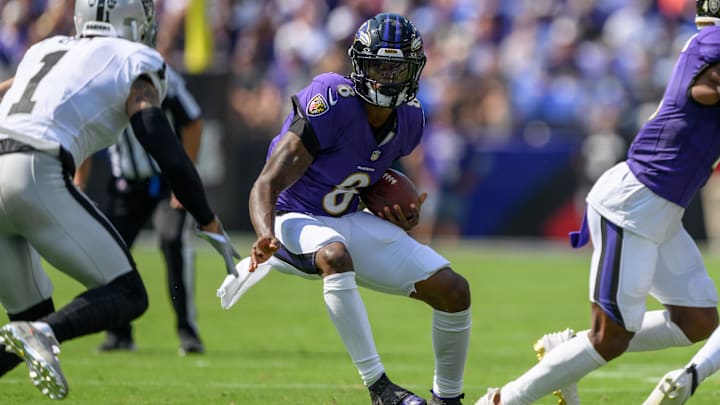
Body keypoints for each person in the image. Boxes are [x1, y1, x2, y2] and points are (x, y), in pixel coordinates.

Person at [476, 2, 720, 404]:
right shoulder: (711, 41)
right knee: (610, 338)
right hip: (635, 203)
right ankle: (503, 400)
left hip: (661, 210)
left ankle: (567, 347)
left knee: (696, 319)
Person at [0, 0, 238, 400]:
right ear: (134, 20)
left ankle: (41, 330)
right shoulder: (132, 57)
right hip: (34, 169)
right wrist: (205, 216)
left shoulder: (44, 49)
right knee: (128, 293)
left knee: (31, 320)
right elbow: (161, 142)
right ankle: (44, 333)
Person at [248, 13, 471, 405]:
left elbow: (368, 177)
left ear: (413, 71)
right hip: (292, 215)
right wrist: (266, 233)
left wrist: (400, 213)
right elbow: (267, 182)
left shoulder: (411, 120)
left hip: (345, 217)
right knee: (335, 255)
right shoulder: (331, 100)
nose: (385, 77)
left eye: (395, 67)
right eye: (377, 66)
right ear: (358, 66)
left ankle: (447, 399)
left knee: (453, 290)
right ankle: (380, 388)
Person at [74, 65, 206, 355]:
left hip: (165, 181)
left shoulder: (161, 76)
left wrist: (185, 177)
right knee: (109, 251)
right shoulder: (101, 79)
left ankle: (187, 330)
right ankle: (119, 332)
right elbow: (85, 132)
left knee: (172, 241)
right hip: (126, 186)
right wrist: (79, 183)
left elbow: (193, 122)